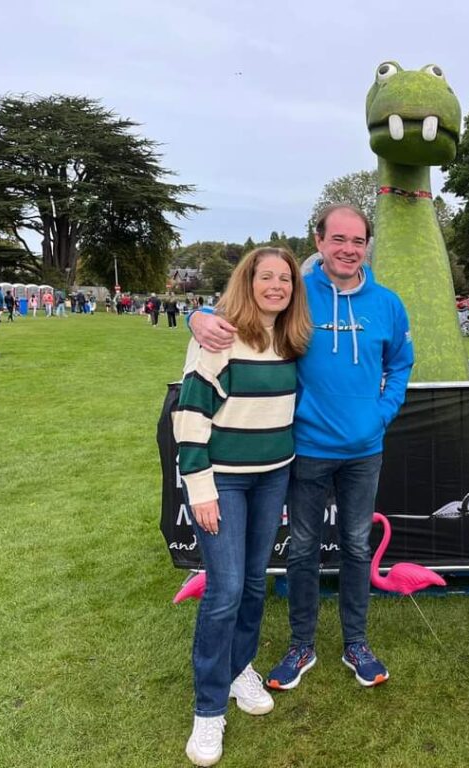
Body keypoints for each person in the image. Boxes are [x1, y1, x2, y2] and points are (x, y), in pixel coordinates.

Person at [190, 204, 414, 691]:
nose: (348, 250)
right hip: (305, 447)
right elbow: (241, 305)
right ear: (319, 241)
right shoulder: (297, 294)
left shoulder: (388, 304)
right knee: (304, 549)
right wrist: (197, 315)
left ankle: (356, 642)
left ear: (367, 246)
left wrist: (381, 413)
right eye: (339, 239)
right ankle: (301, 644)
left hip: (364, 450)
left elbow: (400, 365)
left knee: (357, 545)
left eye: (358, 241)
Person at [174, 246, 312, 767]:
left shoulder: (291, 339)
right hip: (224, 483)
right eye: (266, 277)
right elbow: (189, 414)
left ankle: (238, 670)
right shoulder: (220, 335)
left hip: (273, 476)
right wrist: (202, 488)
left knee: (255, 583)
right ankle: (208, 710)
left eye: (285, 278)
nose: (276, 285)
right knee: (225, 590)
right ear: (247, 282)